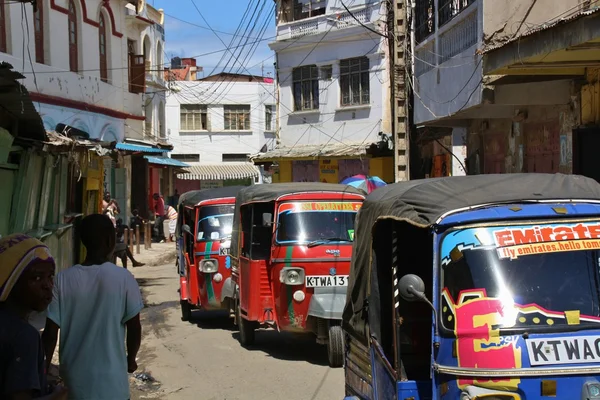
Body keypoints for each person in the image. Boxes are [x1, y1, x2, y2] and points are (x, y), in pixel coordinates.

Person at [42, 214, 143, 400]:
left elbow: (50, 333)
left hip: (75, 387)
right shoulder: (124, 278)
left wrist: (43, 370)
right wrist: (130, 360)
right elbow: (134, 327)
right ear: (110, 240)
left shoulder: (62, 280)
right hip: (114, 387)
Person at [0, 234, 68, 399]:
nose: (47, 285)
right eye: (36, 278)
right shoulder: (24, 336)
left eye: (50, 276)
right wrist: (57, 396)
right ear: (10, 281)